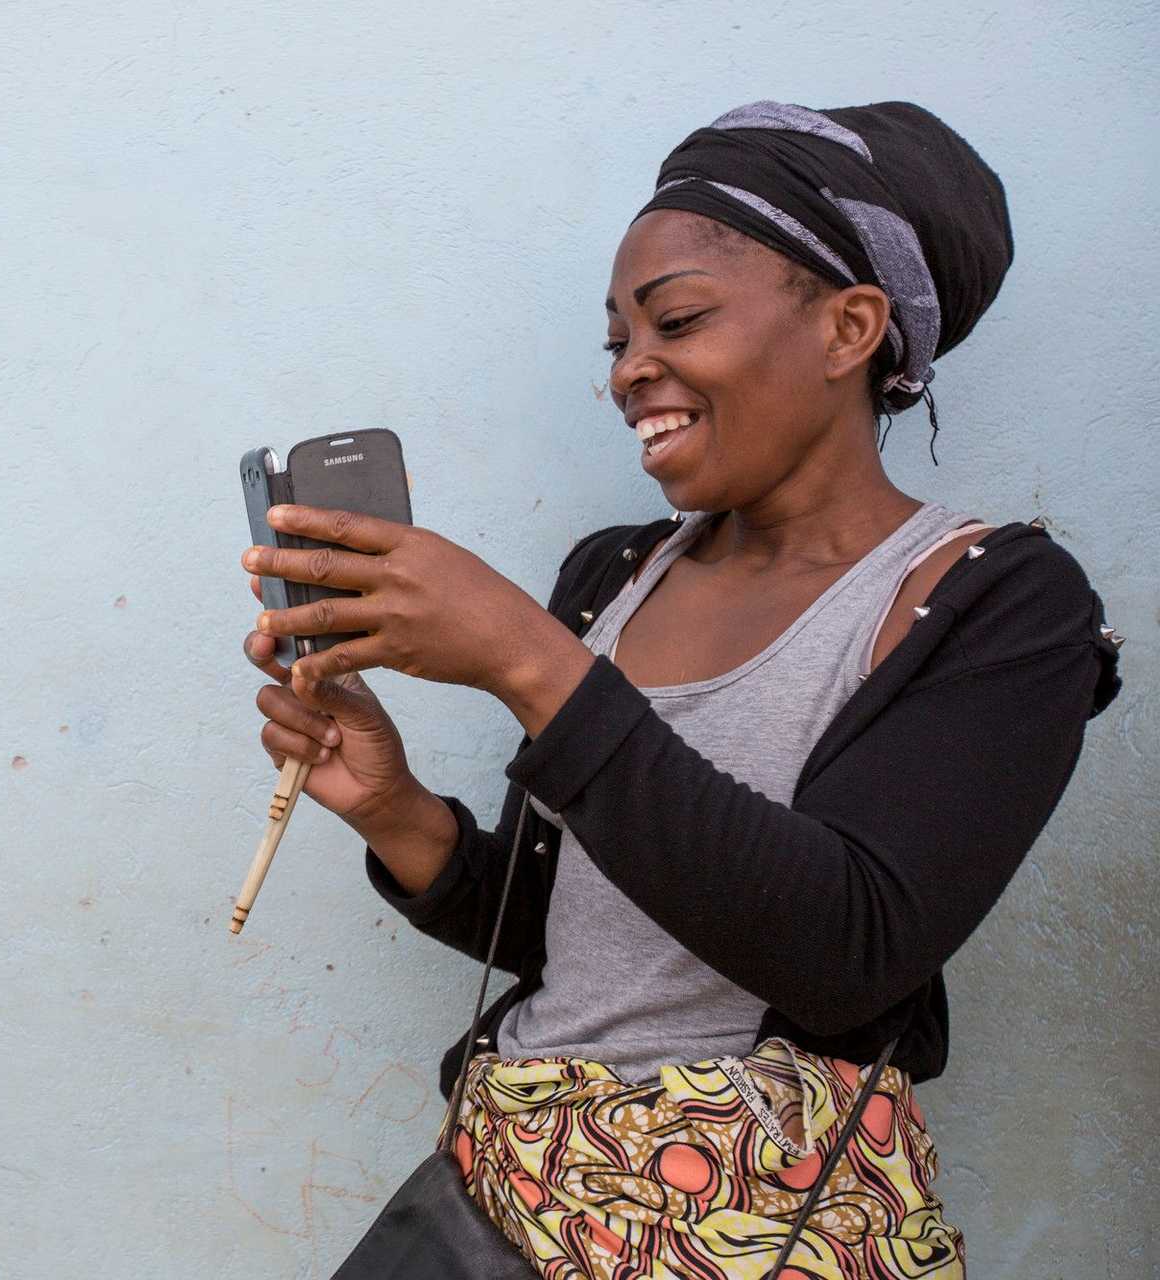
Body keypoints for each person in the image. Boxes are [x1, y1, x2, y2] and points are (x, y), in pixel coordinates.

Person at [238, 101, 1123, 1278]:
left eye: (679, 319)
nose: (631, 371)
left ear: (852, 327)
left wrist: (525, 660)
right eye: (616, 341)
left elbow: (848, 947)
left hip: (751, 1224)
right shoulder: (615, 573)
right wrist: (395, 809)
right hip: (506, 1186)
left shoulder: (996, 603)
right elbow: (584, 937)